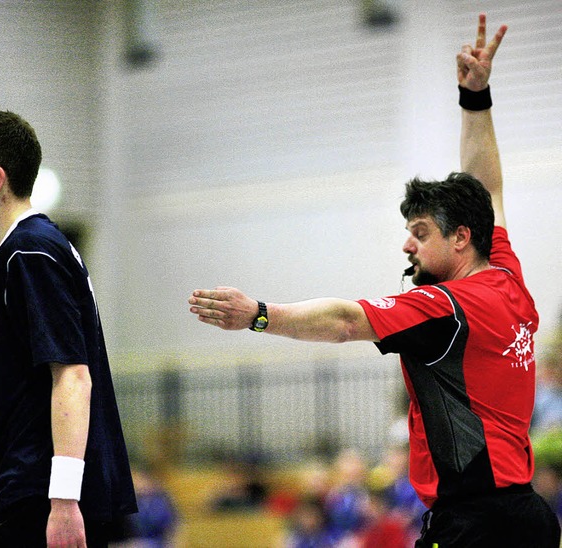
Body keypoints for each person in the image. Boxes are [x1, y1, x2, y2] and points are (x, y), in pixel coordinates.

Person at [188, 14, 561, 547]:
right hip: (529, 518)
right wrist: (475, 98)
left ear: (460, 238)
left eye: (420, 232)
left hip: (474, 526)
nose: (407, 245)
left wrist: (259, 314)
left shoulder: (443, 309)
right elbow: (487, 189)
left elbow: (344, 322)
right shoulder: (505, 273)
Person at [0, 109, 137, 546]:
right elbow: (24, 396)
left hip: (39, 498)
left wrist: (62, 502)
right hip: (30, 494)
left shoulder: (31, 253)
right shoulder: (20, 253)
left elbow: (74, 377)